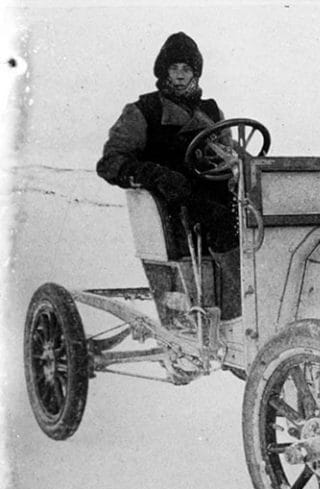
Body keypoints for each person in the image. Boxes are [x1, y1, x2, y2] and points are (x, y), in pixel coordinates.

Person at [96, 31, 241, 320]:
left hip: (214, 190)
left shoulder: (211, 111)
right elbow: (111, 162)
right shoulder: (143, 111)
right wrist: (155, 173)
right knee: (221, 220)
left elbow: (228, 150)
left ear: (195, 73)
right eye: (173, 68)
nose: (180, 75)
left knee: (258, 216)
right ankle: (240, 306)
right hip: (173, 200)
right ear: (164, 72)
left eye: (186, 68)